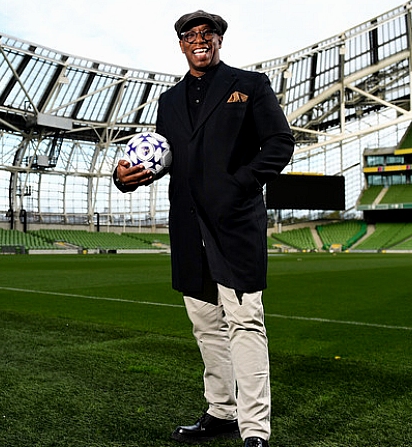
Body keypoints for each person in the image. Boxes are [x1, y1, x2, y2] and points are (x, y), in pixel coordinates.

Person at [113, 10, 295, 447]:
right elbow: (160, 158)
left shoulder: (249, 86)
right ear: (180, 45)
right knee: (206, 325)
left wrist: (239, 185)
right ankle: (221, 411)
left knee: (245, 323)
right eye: (190, 35)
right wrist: (123, 177)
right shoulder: (169, 101)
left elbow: (279, 143)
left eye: (207, 33)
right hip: (187, 226)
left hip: (234, 224)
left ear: (218, 40)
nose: (199, 40)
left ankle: (255, 430)